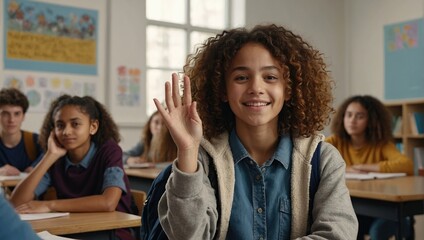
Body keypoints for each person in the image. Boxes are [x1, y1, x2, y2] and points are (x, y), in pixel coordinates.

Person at [153, 24, 358, 239]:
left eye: (270, 77)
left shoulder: (323, 159)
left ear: (288, 89)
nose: (256, 88)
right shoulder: (202, 159)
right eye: (241, 78)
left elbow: (337, 234)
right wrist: (187, 150)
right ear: (222, 90)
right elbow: (188, 236)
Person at [10, 94, 138, 240]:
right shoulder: (56, 156)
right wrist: (49, 156)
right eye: (60, 125)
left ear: (93, 127)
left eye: (75, 124)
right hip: (72, 230)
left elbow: (108, 202)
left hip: (112, 232)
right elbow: (16, 203)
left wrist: (50, 205)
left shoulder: (109, 151)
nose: (66, 132)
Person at [326, 95, 414, 240]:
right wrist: (346, 168)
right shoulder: (336, 141)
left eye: (359, 116)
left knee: (377, 230)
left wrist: (365, 167)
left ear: (371, 120)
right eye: (349, 115)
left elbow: (407, 164)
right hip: (352, 207)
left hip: (385, 209)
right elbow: (313, 158)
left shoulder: (381, 144)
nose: (352, 120)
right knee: (344, 226)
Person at [0, 88, 43, 176]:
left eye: (17, 114)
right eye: (5, 114)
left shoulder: (37, 141)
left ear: (23, 116)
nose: (11, 120)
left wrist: (36, 168)